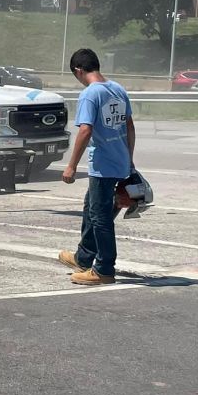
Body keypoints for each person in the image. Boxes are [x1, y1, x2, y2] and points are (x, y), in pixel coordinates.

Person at [60, 48, 135, 285]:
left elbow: (85, 130)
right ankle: (83, 256)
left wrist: (71, 166)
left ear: (78, 71)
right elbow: (130, 128)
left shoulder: (90, 94)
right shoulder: (118, 89)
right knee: (90, 208)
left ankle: (103, 269)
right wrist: (129, 160)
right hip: (120, 160)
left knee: (100, 217)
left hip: (103, 165)